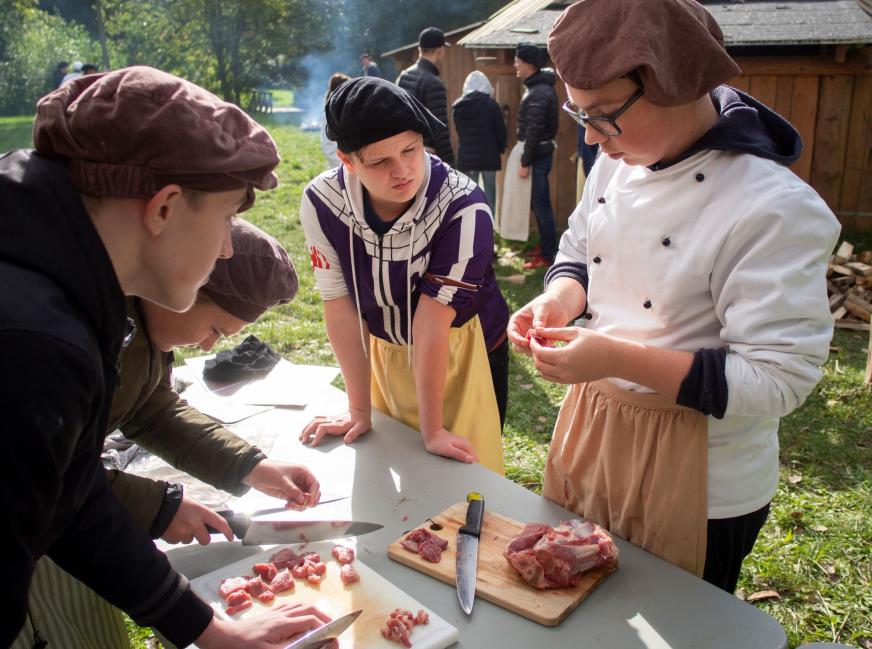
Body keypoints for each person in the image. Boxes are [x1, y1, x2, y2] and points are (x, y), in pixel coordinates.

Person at [507, 0, 840, 594]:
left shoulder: (772, 208)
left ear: (677, 83)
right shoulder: (619, 158)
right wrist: (560, 297)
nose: (591, 138)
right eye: (579, 113)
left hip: (700, 474)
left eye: (604, 115)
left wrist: (613, 358)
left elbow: (779, 380)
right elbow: (581, 246)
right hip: (595, 430)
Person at [0, 66, 333, 648]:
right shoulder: (35, 342)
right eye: (228, 217)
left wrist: (211, 634)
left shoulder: (62, 281)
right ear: (163, 208)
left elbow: (72, 501)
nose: (228, 245)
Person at [13, 218, 320, 648]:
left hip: (77, 535)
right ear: (185, 282)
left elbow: (151, 408)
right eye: (214, 329)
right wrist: (157, 506)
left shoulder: (145, 323)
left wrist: (251, 465)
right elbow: (62, 480)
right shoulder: (71, 331)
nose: (211, 346)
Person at [298, 77, 509, 474]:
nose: (403, 171)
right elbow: (339, 303)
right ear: (348, 161)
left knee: (465, 478)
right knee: (392, 464)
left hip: (461, 347)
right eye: (380, 162)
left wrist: (433, 431)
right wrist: (357, 408)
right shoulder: (322, 201)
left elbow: (432, 321)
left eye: (411, 150)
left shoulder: (464, 207)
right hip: (384, 347)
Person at [514, 43, 559, 270]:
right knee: (537, 205)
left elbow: (534, 130)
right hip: (540, 154)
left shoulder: (539, 92)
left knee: (541, 206)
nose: (515, 65)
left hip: (538, 156)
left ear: (529, 64)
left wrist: (525, 162)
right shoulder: (537, 88)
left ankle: (549, 255)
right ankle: (544, 247)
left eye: (518, 61)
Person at [396, 27, 454, 165]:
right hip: (427, 158)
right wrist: (450, 166)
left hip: (403, 152)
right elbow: (440, 130)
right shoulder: (434, 83)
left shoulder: (403, 76)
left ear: (419, 49)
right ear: (440, 50)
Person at [452, 70, 507, 212]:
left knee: (468, 194)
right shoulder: (491, 105)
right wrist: (501, 148)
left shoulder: (458, 107)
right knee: (489, 194)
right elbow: (500, 131)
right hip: (489, 156)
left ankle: (471, 228)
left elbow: (459, 131)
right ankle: (488, 229)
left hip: (466, 156)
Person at [321, 73, 351, 169]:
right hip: (340, 166)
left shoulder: (343, 109)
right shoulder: (331, 114)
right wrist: (343, 165)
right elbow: (328, 145)